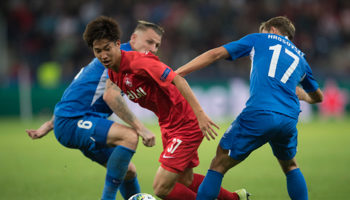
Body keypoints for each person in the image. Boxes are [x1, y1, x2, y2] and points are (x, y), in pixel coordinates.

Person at [83, 16, 249, 200]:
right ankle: (235, 198)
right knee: (185, 180)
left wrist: (200, 115)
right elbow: (110, 96)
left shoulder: (140, 62)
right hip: (169, 125)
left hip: (186, 124)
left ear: (117, 44)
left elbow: (178, 79)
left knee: (161, 187)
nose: (103, 55)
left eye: (107, 49)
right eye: (98, 51)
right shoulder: (114, 73)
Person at [175, 16, 324, 200]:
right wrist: (305, 97)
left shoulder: (259, 38)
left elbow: (215, 54)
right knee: (290, 165)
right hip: (289, 118)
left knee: (219, 163)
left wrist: (179, 72)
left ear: (272, 30)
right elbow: (319, 97)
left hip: (260, 112)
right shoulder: (301, 59)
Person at [26, 20, 165, 200]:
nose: (153, 48)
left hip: (74, 119)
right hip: (73, 121)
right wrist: (141, 128)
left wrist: (49, 125)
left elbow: (76, 93)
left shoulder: (120, 58)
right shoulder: (121, 57)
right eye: (149, 42)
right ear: (134, 38)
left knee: (127, 171)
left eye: (157, 45)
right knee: (129, 136)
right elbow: (110, 96)